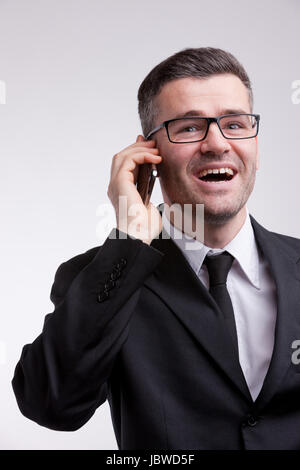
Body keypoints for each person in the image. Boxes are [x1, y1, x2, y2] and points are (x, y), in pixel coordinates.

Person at [12, 47, 300, 450]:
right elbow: (50, 405)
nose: (217, 143)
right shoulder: (101, 277)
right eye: (188, 127)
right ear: (149, 154)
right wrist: (127, 244)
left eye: (235, 124)